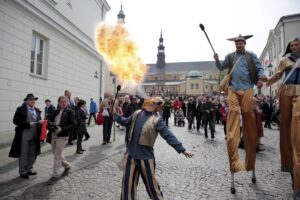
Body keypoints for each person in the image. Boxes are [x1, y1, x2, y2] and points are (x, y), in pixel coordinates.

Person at [213, 34, 267, 192]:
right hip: (233, 90)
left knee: (248, 117)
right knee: (234, 112)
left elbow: (259, 68)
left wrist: (261, 77)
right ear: (235, 44)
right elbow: (221, 67)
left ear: (244, 44)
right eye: (237, 43)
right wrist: (216, 60)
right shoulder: (230, 57)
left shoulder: (251, 56)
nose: (238, 44)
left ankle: (250, 159)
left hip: (248, 89)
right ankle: (232, 141)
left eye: (241, 42)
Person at [114, 97, 193, 200]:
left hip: (146, 158)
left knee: (153, 187)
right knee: (127, 187)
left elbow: (168, 135)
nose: (152, 104)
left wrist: (182, 149)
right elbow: (125, 121)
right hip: (130, 156)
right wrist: (115, 114)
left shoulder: (157, 120)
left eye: (155, 103)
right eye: (151, 102)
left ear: (157, 107)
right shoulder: (137, 113)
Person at [266, 38, 300, 198]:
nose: (294, 46)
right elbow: (278, 74)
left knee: (297, 121)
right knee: (286, 126)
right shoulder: (285, 60)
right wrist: (267, 81)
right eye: (292, 45)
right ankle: (292, 169)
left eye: (296, 44)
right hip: (286, 92)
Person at [9, 93, 42, 179]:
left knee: (32, 153)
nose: (32, 101)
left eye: (34, 99)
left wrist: (40, 122)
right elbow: (15, 121)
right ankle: (22, 171)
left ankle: (29, 169)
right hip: (24, 135)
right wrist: (26, 124)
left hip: (35, 135)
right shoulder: (20, 109)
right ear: (26, 100)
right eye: (30, 99)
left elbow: (38, 121)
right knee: (24, 153)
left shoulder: (37, 110)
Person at [46, 96, 75, 185]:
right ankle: (67, 165)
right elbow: (50, 119)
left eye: (65, 102)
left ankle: (55, 175)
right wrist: (51, 124)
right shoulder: (56, 111)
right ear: (59, 103)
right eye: (62, 101)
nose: (63, 103)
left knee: (57, 156)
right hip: (54, 134)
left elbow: (73, 124)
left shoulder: (70, 112)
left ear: (67, 103)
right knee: (55, 153)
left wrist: (62, 129)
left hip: (63, 136)